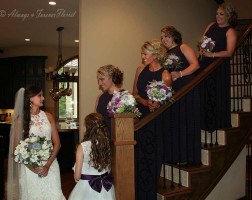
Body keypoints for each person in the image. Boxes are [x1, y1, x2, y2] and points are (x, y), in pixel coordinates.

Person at [7, 85, 65, 200]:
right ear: (30, 98)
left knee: (55, 195)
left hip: (51, 164)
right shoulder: (20, 120)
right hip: (30, 169)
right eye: (40, 95)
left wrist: (48, 165)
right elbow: (16, 149)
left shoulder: (48, 116)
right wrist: (32, 167)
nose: (43, 98)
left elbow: (57, 144)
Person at [161, 26, 201, 165]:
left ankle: (188, 157)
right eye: (162, 37)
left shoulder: (183, 47)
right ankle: (176, 156)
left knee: (186, 121)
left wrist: (180, 74)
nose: (164, 39)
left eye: (166, 36)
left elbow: (195, 65)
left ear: (174, 36)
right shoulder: (165, 54)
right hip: (174, 90)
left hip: (186, 87)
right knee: (175, 122)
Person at [198, 2, 238, 132]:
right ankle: (202, 122)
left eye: (221, 14)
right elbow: (203, 41)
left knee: (214, 95)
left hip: (218, 67)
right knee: (202, 93)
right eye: (217, 13)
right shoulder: (211, 25)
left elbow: (229, 52)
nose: (218, 16)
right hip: (204, 63)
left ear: (228, 16)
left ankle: (215, 124)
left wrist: (212, 54)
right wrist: (202, 48)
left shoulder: (230, 31)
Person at [68, 113, 115, 200]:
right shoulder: (106, 145)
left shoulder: (82, 147)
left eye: (84, 125)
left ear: (88, 128)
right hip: (105, 188)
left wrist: (77, 178)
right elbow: (108, 169)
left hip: (86, 187)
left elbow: (77, 176)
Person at [133, 39, 172, 117]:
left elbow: (167, 102)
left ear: (155, 55)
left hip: (157, 116)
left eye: (145, 54)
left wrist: (158, 103)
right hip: (140, 113)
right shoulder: (140, 70)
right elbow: (135, 94)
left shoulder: (166, 76)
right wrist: (145, 102)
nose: (142, 56)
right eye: (142, 53)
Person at [95, 64, 124, 137]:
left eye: (102, 79)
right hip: (102, 139)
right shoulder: (100, 97)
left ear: (112, 78)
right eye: (98, 80)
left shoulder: (125, 96)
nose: (99, 83)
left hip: (118, 139)